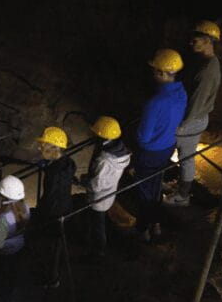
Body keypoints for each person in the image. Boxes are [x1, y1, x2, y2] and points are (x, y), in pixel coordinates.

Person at [164, 21, 222, 207]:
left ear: (208, 41)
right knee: (184, 157)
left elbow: (196, 102)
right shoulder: (204, 61)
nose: (191, 42)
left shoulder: (206, 70)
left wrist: (180, 125)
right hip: (192, 117)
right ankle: (177, 188)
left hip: (192, 119)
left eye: (195, 39)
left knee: (186, 159)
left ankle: (183, 196)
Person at [134, 49, 187, 241]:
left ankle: (142, 229)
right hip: (167, 147)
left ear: (163, 73)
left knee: (144, 191)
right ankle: (155, 225)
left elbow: (143, 136)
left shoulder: (155, 102)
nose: (153, 73)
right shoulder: (181, 93)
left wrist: (138, 137)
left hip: (150, 152)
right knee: (155, 186)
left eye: (155, 70)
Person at [81, 116, 131, 260]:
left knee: (98, 225)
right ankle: (96, 246)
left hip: (98, 199)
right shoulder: (121, 152)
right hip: (109, 193)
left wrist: (83, 182)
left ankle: (97, 252)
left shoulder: (104, 160)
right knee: (99, 221)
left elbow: (96, 184)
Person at [34, 126, 76, 288]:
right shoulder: (67, 163)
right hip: (64, 207)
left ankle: (52, 279)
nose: (40, 147)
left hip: (54, 213)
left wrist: (41, 212)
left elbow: (51, 198)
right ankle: (53, 275)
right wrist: (47, 164)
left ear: (55, 148)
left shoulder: (54, 175)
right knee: (55, 245)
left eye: (44, 145)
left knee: (52, 248)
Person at [0, 175, 30, 302]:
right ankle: (9, 295)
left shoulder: (4, 218)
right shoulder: (26, 208)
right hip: (19, 247)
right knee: (12, 275)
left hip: (5, 253)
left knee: (3, 277)